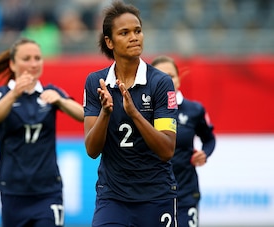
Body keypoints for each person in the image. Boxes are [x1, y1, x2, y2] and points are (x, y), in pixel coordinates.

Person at [83, 1, 178, 226]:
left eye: (137, 31)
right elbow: (91, 150)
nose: (134, 37)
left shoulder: (161, 83)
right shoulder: (95, 83)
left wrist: (135, 114)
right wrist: (106, 113)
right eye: (124, 33)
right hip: (113, 198)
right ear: (110, 41)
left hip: (156, 196)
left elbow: (167, 150)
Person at [0, 37, 84, 227]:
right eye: (26, 58)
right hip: (13, 190)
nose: (33, 64)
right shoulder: (2, 93)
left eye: (38, 58)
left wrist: (61, 101)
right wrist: (14, 94)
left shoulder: (50, 91)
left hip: (48, 190)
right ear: (13, 64)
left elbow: (82, 115)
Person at [151, 55, 216, 227]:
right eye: (160, 77)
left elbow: (209, 139)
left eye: (170, 76)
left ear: (179, 79)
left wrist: (205, 153)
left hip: (186, 193)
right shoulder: (142, 112)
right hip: (153, 195)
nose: (166, 81)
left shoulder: (195, 110)